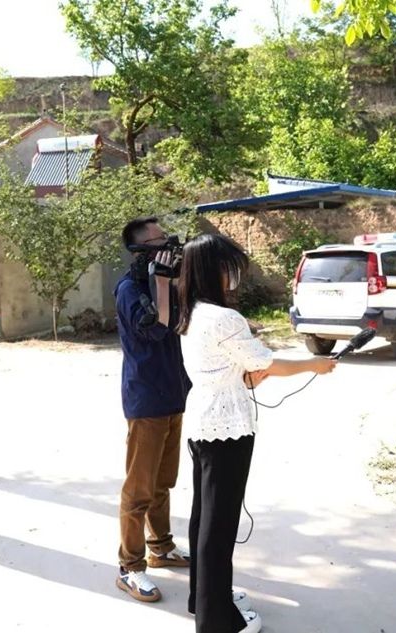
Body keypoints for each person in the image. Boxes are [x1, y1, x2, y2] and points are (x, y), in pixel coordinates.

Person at [176, 233, 336, 633]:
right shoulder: (224, 318)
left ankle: (203, 597)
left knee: (204, 516)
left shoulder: (192, 312)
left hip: (203, 420)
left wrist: (246, 375)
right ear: (214, 271)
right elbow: (266, 363)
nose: (233, 277)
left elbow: (234, 368)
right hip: (226, 428)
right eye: (229, 268)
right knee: (219, 524)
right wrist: (314, 364)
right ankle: (217, 620)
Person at [114, 217, 192, 602]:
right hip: (146, 400)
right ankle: (130, 567)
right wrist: (161, 282)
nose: (169, 245)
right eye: (160, 241)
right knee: (139, 488)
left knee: (163, 480)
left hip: (173, 394)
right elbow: (157, 328)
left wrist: (170, 281)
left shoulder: (164, 283)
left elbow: (183, 323)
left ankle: (160, 546)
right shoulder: (130, 289)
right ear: (141, 250)